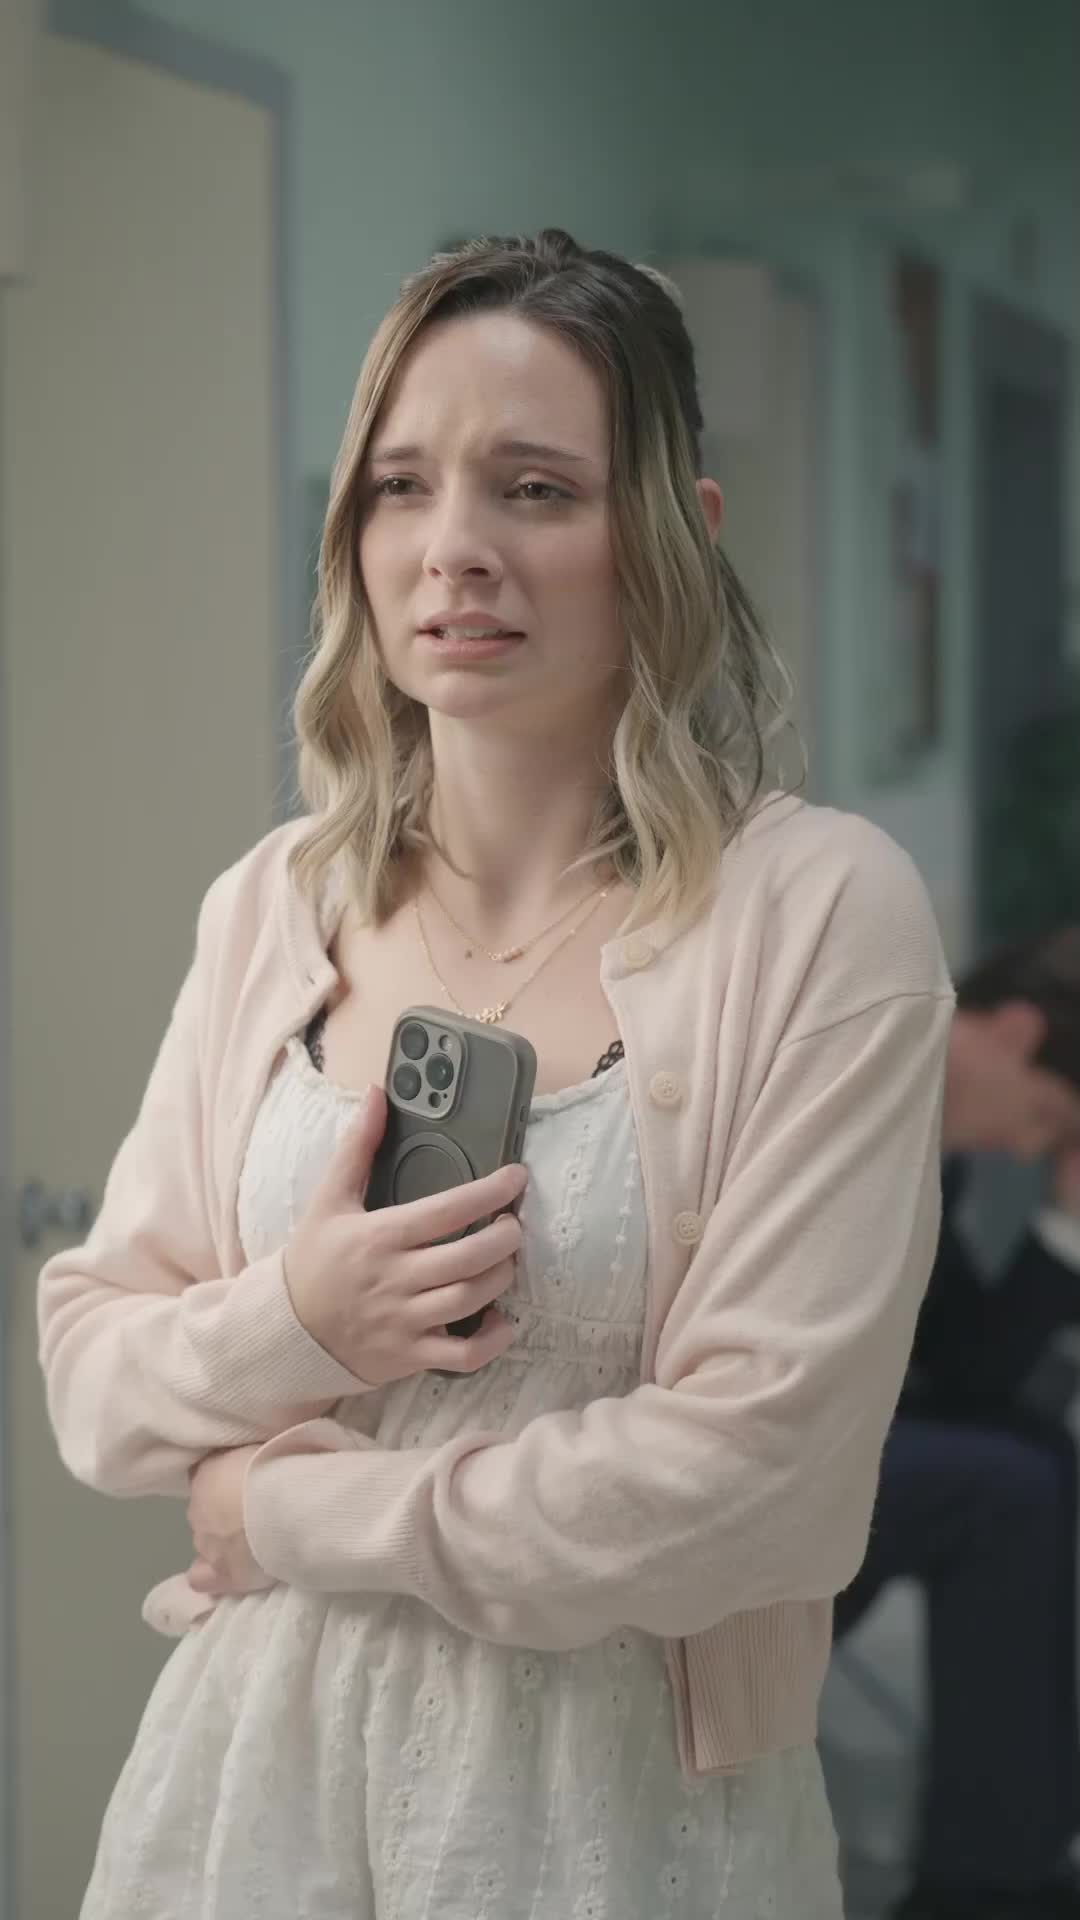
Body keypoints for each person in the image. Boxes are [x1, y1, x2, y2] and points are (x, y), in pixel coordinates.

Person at [39, 229, 952, 1919]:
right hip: (247, 1800)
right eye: (402, 487)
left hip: (616, 1816)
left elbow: (761, 1486)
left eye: (537, 489)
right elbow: (94, 1378)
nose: (454, 547)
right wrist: (300, 1319)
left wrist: (284, 1511)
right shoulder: (278, 902)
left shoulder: (821, 914)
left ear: (677, 529)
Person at [835, 928, 1080, 1920]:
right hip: (742, 1444)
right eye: (1047, 1117)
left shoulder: (932, 1148)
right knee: (1006, 1489)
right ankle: (984, 1885)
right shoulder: (854, 1086)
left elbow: (970, 1372)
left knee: (1040, 1455)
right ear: (1015, 1032)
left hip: (829, 1442)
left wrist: (1067, 1221)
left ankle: (1014, 1850)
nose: (1027, 1148)